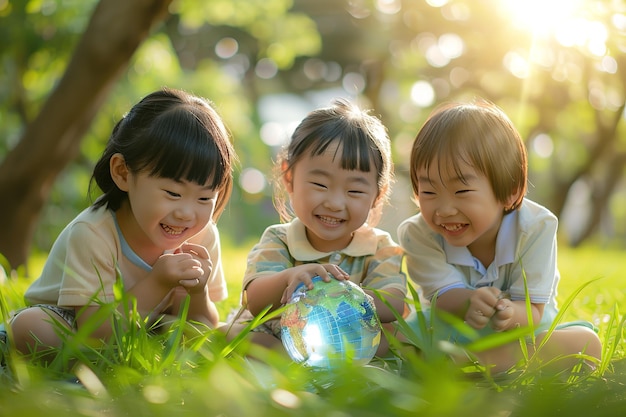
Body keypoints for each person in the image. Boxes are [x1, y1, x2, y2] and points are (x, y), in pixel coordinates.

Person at [8, 88, 236, 360]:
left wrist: (197, 292)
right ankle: (91, 364)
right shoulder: (93, 233)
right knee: (32, 328)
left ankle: (133, 355)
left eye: (204, 197)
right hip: (75, 321)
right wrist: (159, 282)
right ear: (123, 173)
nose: (187, 213)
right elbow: (96, 332)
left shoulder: (202, 236)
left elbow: (202, 326)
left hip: (149, 323)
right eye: (173, 193)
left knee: (224, 335)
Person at [397, 99, 602, 374]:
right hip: (451, 323)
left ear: (510, 191)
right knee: (394, 338)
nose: (444, 210)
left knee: (586, 345)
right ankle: (487, 362)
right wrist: (469, 302)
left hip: (521, 329)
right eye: (429, 192)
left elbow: (532, 311)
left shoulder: (536, 228)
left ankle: (465, 363)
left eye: (462, 192)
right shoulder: (417, 233)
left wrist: (507, 313)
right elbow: (441, 296)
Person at [223, 98, 407, 358]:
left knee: (399, 338)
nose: (334, 203)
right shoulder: (280, 239)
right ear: (289, 177)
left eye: (354, 190)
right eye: (320, 185)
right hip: (280, 335)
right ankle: (293, 358)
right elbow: (255, 300)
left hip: (352, 337)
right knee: (242, 335)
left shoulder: (380, 247)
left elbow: (394, 303)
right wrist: (290, 279)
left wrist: (337, 297)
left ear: (378, 194)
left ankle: (319, 360)